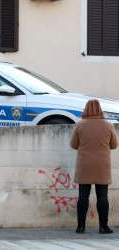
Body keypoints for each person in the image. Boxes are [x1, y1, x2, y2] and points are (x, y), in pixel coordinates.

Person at [70, 99, 118, 234]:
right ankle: (103, 227)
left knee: (83, 195)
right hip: (102, 164)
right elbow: (114, 145)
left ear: (85, 109)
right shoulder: (108, 125)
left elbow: (73, 145)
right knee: (102, 196)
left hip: (84, 164)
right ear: (100, 109)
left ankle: (81, 226)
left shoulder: (79, 125)